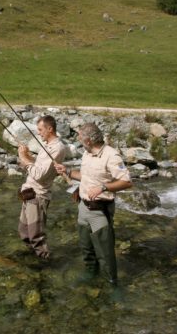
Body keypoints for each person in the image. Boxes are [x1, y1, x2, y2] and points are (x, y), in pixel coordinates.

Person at [55, 123, 132, 285]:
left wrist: (104, 187)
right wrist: (67, 171)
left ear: (88, 140)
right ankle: (91, 273)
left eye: (80, 136)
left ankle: (113, 283)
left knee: (105, 253)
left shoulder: (112, 156)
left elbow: (126, 182)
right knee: (86, 248)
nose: (78, 138)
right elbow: (85, 176)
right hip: (83, 208)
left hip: (100, 211)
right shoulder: (87, 154)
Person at [18, 115, 66, 259]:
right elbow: (39, 163)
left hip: (38, 196)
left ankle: (45, 264)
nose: (38, 133)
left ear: (50, 129)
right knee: (24, 232)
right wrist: (27, 156)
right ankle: (33, 258)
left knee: (36, 236)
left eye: (40, 130)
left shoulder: (57, 148)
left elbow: (39, 174)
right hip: (28, 193)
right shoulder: (47, 145)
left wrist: (23, 159)